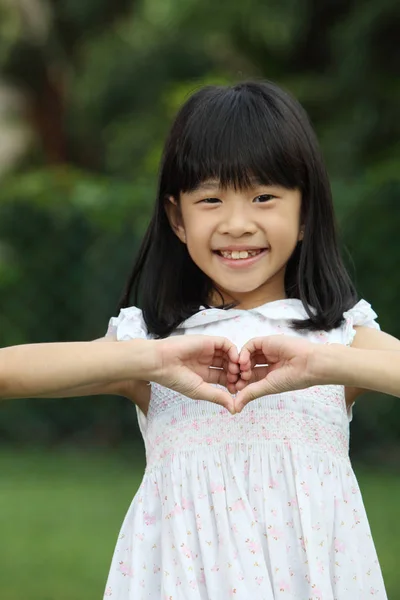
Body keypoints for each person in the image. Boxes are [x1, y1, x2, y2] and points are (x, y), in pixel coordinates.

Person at [1, 81, 399, 599]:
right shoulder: (151, 344)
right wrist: (148, 358)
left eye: (263, 197)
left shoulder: (338, 333)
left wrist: (328, 365)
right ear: (177, 218)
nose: (237, 223)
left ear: (305, 216)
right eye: (210, 199)